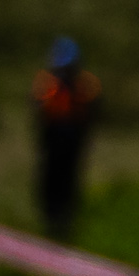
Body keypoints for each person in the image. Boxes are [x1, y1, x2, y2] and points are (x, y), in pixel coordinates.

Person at [31, 36, 103, 241]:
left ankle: (67, 220)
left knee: (69, 180)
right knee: (49, 179)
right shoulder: (46, 83)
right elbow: (37, 110)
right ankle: (49, 219)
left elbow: (94, 112)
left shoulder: (86, 84)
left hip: (73, 138)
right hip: (52, 137)